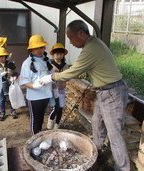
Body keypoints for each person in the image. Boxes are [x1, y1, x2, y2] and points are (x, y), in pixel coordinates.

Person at [40, 20, 130, 171]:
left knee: (114, 134)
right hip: (104, 92)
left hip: (112, 92)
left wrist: (52, 77)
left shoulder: (92, 48)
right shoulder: (92, 45)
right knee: (97, 122)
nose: (71, 42)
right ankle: (96, 150)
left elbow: (74, 71)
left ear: (81, 33)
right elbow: (84, 69)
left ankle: (123, 168)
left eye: (71, 38)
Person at [19, 34, 54, 135]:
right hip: (34, 97)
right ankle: (34, 139)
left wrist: (54, 87)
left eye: (42, 47)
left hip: (46, 95)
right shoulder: (27, 63)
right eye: (37, 48)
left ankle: (39, 136)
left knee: (41, 117)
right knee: (35, 119)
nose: (40, 50)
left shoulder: (46, 60)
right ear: (31, 50)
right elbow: (25, 81)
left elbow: (52, 75)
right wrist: (34, 86)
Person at [47, 43, 68, 130]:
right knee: (56, 107)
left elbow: (67, 76)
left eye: (61, 54)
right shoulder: (50, 65)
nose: (59, 56)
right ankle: (50, 121)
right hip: (54, 89)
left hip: (62, 89)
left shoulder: (65, 65)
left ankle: (57, 124)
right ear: (53, 54)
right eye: (57, 54)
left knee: (61, 107)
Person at [0, 47, 19, 121]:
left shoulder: (11, 64)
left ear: (6, 56)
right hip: (0, 85)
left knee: (11, 98)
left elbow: (15, 72)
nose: (1, 58)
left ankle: (13, 111)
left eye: (2, 56)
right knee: (2, 99)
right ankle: (2, 112)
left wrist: (15, 76)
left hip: (10, 84)